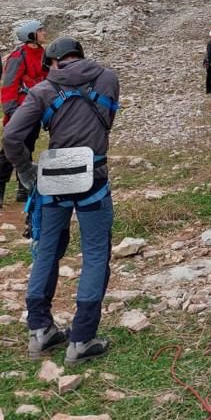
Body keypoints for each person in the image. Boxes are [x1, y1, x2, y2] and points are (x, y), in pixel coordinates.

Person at [3, 36, 119, 364]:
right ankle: (82, 339)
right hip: (93, 176)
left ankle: (40, 330)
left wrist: (27, 172)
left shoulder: (42, 90)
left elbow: (12, 136)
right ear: (78, 56)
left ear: (53, 62)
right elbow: (107, 120)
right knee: (95, 253)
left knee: (47, 250)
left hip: (53, 179)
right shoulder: (108, 78)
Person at [0, 19, 48, 208]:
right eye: (40, 30)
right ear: (31, 35)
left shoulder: (44, 54)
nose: (44, 33)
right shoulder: (18, 57)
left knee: (28, 146)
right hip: (19, 111)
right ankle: (1, 187)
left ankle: (23, 187)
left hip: (35, 110)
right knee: (9, 151)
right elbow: (9, 85)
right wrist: (12, 111)